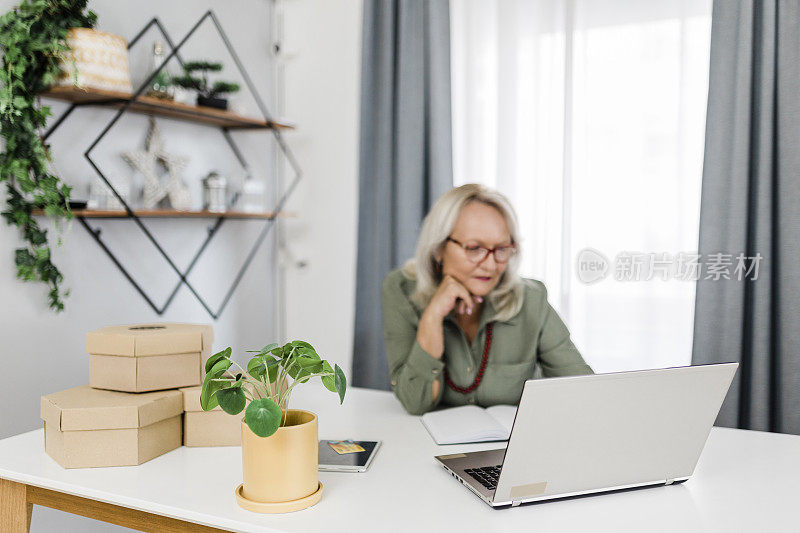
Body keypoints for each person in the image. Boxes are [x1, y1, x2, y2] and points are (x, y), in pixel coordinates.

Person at [382, 184, 593, 415]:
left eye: (502, 248)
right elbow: (415, 402)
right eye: (474, 248)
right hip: (423, 442)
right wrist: (432, 317)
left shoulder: (531, 298)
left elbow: (585, 390)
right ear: (438, 248)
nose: (491, 265)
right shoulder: (400, 289)